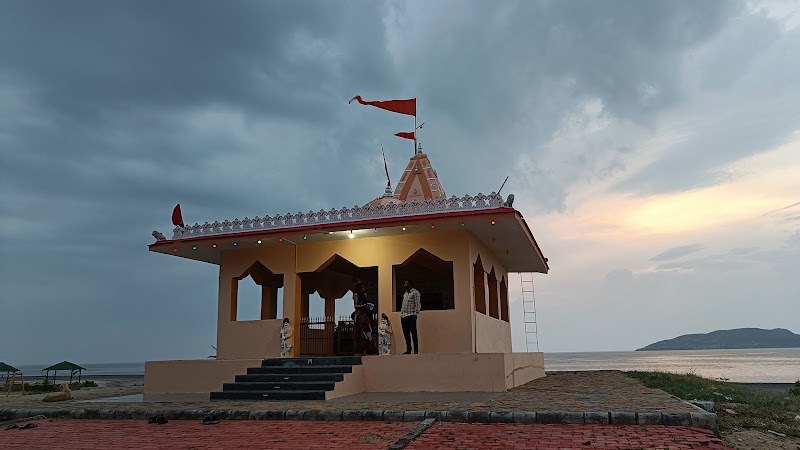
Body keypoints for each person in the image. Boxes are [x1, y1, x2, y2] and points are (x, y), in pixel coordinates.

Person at [352, 281, 374, 356]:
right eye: (362, 287)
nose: (364, 288)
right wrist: (364, 305)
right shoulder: (356, 295)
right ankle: (359, 351)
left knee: (367, 331)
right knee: (360, 332)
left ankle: (367, 350)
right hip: (359, 313)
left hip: (365, 313)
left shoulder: (365, 294)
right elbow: (355, 306)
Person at [400, 279, 421, 354]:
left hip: (411, 316)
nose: (404, 285)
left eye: (406, 284)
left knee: (413, 333)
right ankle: (408, 349)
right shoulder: (405, 294)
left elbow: (417, 304)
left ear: (410, 284)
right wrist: (401, 314)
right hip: (404, 316)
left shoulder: (415, 293)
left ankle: (416, 350)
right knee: (406, 334)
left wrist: (415, 313)